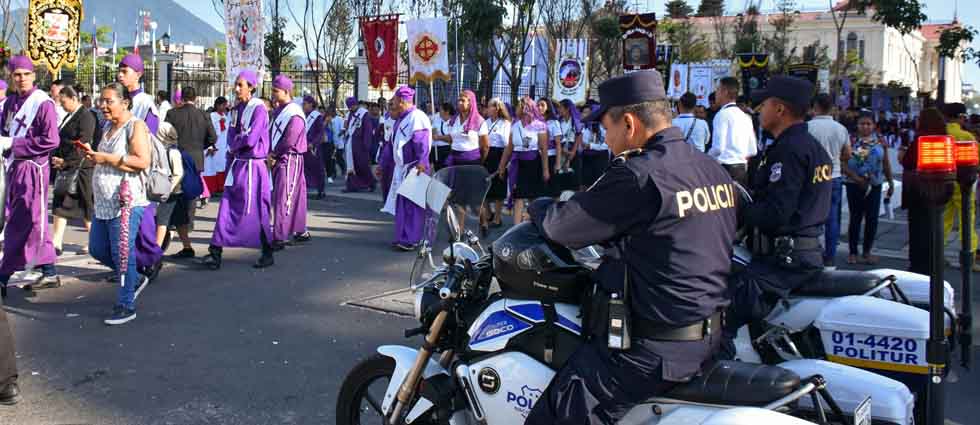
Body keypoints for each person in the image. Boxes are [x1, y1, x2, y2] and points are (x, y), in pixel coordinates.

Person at [525, 69, 734, 424]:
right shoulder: (708, 167)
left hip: (652, 351)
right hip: (710, 336)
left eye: (606, 127)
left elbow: (562, 226)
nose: (605, 138)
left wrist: (538, 206)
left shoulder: (640, 174)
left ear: (629, 123)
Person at [722, 76, 832, 358]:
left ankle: (717, 387)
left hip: (783, 264)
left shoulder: (788, 151)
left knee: (719, 313)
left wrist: (735, 208)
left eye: (764, 104)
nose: (759, 111)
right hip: (803, 253)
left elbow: (775, 213)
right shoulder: (812, 148)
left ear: (780, 109)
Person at [84, 82, 152, 325]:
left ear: (125, 103)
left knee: (122, 254)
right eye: (101, 101)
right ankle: (134, 278)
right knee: (98, 249)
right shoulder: (107, 127)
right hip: (104, 203)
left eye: (109, 101)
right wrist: (95, 156)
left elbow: (142, 161)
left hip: (126, 202)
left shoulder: (136, 126)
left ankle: (126, 304)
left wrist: (106, 158)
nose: (103, 106)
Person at [198, 69, 275, 270]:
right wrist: (236, 144)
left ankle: (267, 251)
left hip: (254, 167)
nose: (237, 88)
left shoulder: (258, 109)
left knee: (258, 209)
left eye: (241, 84)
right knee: (226, 207)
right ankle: (215, 251)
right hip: (238, 165)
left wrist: (236, 143)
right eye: (236, 84)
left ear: (252, 87)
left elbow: (249, 139)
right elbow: (233, 137)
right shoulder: (236, 109)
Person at [0, 56, 61, 296]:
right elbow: (4, 131)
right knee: (35, 221)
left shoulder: (42, 103)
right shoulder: (11, 101)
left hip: (33, 168)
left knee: (21, 219)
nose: (22, 78)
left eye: (26, 74)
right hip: (14, 166)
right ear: (12, 77)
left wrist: (14, 144)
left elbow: (51, 140)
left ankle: (3, 274)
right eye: (17, 74)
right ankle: (49, 271)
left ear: (34, 75)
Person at [117, 54, 164, 282]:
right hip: (118, 167)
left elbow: (150, 135)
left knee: (143, 219)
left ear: (138, 73)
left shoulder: (145, 102)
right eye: (119, 70)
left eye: (125, 71)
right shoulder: (117, 99)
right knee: (122, 221)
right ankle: (128, 264)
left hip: (139, 170)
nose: (120, 75)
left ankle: (152, 258)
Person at [378, 86, 431, 251]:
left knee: (413, 206)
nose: (392, 104)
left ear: (402, 101)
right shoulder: (401, 119)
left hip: (416, 167)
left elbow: (422, 143)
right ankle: (401, 236)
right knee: (401, 204)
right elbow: (391, 145)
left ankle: (411, 239)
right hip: (402, 169)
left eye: (394, 101)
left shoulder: (417, 117)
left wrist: (422, 162)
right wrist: (382, 164)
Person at [51, 86, 98, 256]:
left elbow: (83, 142)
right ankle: (56, 241)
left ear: (73, 98)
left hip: (82, 167)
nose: (62, 106)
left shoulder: (86, 116)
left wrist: (66, 160)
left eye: (64, 102)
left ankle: (94, 241)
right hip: (67, 165)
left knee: (86, 204)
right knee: (61, 201)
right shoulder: (69, 116)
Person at [808, 93, 852, 269]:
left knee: (811, 216)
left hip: (813, 176)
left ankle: (812, 253)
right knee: (832, 218)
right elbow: (848, 154)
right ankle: (830, 258)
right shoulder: (840, 129)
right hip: (834, 175)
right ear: (832, 107)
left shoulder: (808, 127)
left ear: (815, 107)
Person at [843, 113, 892, 265]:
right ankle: (852, 253)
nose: (865, 126)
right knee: (855, 218)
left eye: (868, 124)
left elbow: (886, 163)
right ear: (857, 125)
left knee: (872, 219)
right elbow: (842, 163)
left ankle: (866, 252)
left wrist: (890, 182)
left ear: (874, 126)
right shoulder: (850, 141)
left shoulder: (880, 142)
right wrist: (856, 178)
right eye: (862, 124)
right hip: (854, 184)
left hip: (875, 185)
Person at [899, 108, 944, 274]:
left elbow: (906, 162)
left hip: (918, 192)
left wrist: (903, 148)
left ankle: (918, 264)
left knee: (918, 229)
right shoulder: (943, 139)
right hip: (938, 189)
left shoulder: (920, 140)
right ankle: (931, 262)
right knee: (932, 227)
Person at [269, 75, 310, 249]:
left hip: (290, 158)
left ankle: (280, 235)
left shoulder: (294, 113)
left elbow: (290, 139)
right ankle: (299, 230)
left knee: (285, 196)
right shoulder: (279, 110)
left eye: (275, 91)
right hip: (280, 158)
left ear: (286, 91)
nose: (272, 94)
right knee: (292, 195)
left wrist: (274, 154)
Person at [498, 97, 550, 225]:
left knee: (533, 197)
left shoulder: (540, 126)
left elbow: (543, 149)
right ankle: (516, 227)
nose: (516, 108)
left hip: (533, 163)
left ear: (525, 108)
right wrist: (502, 166)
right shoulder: (515, 125)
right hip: (518, 164)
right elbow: (509, 148)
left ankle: (534, 224)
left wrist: (545, 170)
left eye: (518, 106)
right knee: (519, 196)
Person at [941, 102, 979, 266]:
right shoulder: (967, 137)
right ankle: (968, 256)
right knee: (967, 220)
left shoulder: (939, 134)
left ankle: (937, 254)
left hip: (942, 183)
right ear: (961, 117)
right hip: (963, 184)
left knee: (944, 220)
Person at [709, 77, 757, 185]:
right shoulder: (745, 116)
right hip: (743, 171)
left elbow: (718, 148)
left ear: (724, 92)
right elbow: (753, 150)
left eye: (717, 89)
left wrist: (705, 158)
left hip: (726, 170)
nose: (715, 93)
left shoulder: (722, 115)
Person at [150, 122, 184, 252]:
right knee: (160, 220)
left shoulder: (173, 151)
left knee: (162, 221)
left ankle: (156, 249)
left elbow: (178, 173)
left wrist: (168, 189)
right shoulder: (158, 149)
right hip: (157, 191)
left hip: (170, 193)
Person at [481, 98, 511, 233]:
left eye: (489, 106)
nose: (487, 109)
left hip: (499, 155)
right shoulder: (485, 122)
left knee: (499, 186)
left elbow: (507, 145)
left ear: (497, 108)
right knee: (484, 186)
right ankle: (488, 213)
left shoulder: (505, 124)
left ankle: (498, 218)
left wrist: (503, 164)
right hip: (487, 155)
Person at [437, 90, 487, 166]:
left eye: (463, 100)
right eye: (458, 100)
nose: (459, 103)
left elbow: (485, 146)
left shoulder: (479, 121)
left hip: (471, 161)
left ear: (470, 102)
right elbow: (451, 138)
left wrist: (480, 162)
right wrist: (437, 137)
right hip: (454, 159)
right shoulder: (454, 120)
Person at [343, 97, 377, 193]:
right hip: (351, 144)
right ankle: (351, 186)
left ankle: (371, 183)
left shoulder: (364, 114)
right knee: (351, 166)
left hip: (361, 145)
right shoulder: (350, 114)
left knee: (363, 166)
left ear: (356, 104)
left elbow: (368, 130)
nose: (351, 108)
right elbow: (348, 127)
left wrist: (366, 145)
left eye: (352, 106)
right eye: (349, 107)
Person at [579, 103, 610, 189]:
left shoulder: (602, 126)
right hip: (587, 157)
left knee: (597, 183)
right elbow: (582, 143)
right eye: (583, 112)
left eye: (588, 112)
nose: (585, 115)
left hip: (599, 158)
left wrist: (591, 146)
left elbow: (607, 145)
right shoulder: (584, 126)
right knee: (585, 183)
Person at [555, 99, 584, 192]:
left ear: (567, 109)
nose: (558, 109)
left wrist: (573, 152)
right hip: (561, 149)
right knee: (561, 176)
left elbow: (579, 135)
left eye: (560, 107)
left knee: (574, 176)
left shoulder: (575, 121)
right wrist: (562, 150)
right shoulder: (559, 121)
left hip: (573, 149)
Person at [204, 97, 230, 195]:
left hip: (223, 145)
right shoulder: (212, 116)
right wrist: (210, 146)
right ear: (217, 105)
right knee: (212, 166)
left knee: (222, 165)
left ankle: (221, 186)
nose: (224, 107)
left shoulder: (225, 116)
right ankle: (212, 188)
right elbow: (210, 131)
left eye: (225, 105)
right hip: (214, 145)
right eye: (223, 105)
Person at [302, 95, 327, 199]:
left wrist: (313, 143)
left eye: (305, 104)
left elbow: (320, 132)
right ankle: (304, 189)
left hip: (313, 148)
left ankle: (321, 190)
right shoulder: (303, 115)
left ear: (311, 104)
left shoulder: (317, 116)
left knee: (317, 169)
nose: (303, 106)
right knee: (304, 170)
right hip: (303, 146)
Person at [539, 97, 564, 196]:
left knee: (553, 189)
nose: (539, 107)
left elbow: (558, 144)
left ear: (548, 107)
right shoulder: (535, 122)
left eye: (542, 105)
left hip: (551, 157)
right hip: (538, 157)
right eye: (538, 105)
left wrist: (558, 163)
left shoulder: (554, 123)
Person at [429, 102, 454, 170]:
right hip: (436, 150)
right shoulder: (436, 119)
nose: (439, 111)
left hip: (448, 150)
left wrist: (439, 137)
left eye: (441, 109)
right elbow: (433, 134)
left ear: (447, 111)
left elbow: (451, 139)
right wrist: (443, 137)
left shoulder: (453, 121)